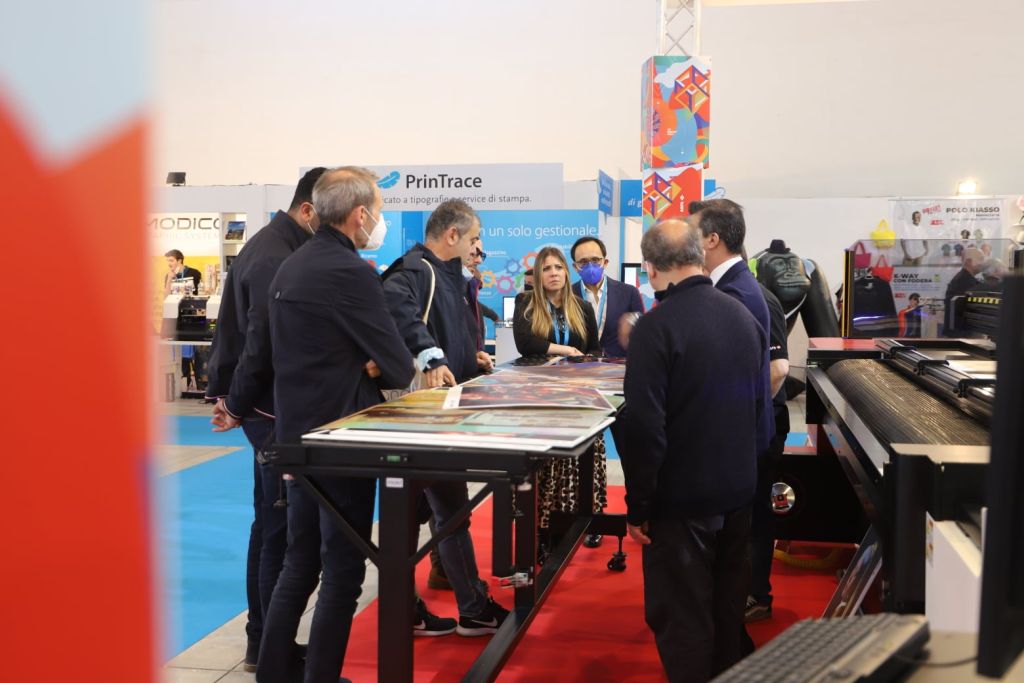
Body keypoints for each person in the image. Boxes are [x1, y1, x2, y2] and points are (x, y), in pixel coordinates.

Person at [255, 167, 417, 683]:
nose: (380, 221)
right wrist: (368, 365)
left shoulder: (292, 265)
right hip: (341, 439)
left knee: (300, 560)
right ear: (359, 214)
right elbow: (398, 365)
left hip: (296, 436)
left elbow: (278, 350)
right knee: (343, 571)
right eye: (379, 211)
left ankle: (273, 672)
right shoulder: (352, 272)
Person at [620, 218, 766, 683]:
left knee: (683, 619)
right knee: (726, 611)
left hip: (681, 504)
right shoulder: (743, 316)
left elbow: (646, 427)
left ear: (650, 268)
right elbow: (758, 407)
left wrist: (639, 506)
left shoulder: (654, 328)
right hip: (737, 492)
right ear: (699, 256)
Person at [204, 167, 325, 670]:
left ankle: (266, 640)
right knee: (280, 529)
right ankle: (268, 645)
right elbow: (260, 342)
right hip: (271, 411)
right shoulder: (277, 255)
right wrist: (235, 403)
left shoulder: (280, 247)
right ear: (309, 209)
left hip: (269, 407)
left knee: (274, 524)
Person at [382, 199, 508, 636]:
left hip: (446, 416)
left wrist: (470, 357)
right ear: (452, 235)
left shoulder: (449, 278)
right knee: (413, 519)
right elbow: (398, 309)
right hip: (418, 419)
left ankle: (470, 606)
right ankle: (409, 609)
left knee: (451, 514)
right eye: (474, 239)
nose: (477, 248)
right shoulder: (417, 269)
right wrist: (431, 355)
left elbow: (450, 333)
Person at [512, 246, 605, 547]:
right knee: (545, 465)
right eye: (547, 268)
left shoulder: (583, 307)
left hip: (577, 397)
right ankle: (541, 528)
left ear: (567, 271)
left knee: (578, 465)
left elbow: (594, 348)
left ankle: (582, 520)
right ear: (538, 275)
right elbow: (525, 343)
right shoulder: (526, 303)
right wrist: (565, 350)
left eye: (558, 267)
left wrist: (587, 363)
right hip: (540, 398)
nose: (553, 273)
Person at [745, 284, 790, 623]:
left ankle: (757, 595)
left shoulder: (759, 298)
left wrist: (750, 418)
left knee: (756, 515)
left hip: (763, 426)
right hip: (747, 426)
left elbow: (778, 370)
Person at [570, 236, 645, 357]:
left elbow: (643, 336)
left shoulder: (629, 293)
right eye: (583, 262)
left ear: (605, 263)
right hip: (580, 365)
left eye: (595, 260)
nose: (590, 266)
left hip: (619, 365)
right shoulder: (568, 295)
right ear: (575, 267)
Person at [944, 246, 985, 334]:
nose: (983, 263)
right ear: (969, 262)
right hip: (961, 334)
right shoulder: (963, 281)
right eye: (981, 259)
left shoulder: (965, 279)